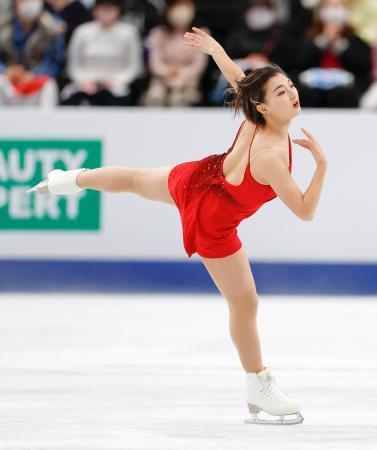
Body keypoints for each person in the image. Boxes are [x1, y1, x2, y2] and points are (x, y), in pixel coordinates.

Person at [27, 26, 328, 425]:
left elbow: (238, 80)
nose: (291, 93)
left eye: (289, 86)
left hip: (199, 177)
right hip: (212, 221)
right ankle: (258, 382)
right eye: (280, 93)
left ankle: (70, 179)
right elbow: (305, 211)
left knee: (135, 179)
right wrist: (322, 165)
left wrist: (215, 48)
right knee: (245, 303)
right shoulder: (271, 154)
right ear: (264, 106)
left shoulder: (257, 119)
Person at [61, 0, 143, 106]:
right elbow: (73, 65)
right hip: (85, 82)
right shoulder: (82, 31)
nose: (106, 13)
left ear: (118, 11)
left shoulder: (129, 32)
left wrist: (117, 80)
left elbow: (134, 66)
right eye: (103, 9)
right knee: (74, 100)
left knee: (115, 100)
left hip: (116, 83)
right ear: (95, 11)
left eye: (110, 9)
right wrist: (84, 80)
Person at [142, 0, 208, 106]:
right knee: (155, 96)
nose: (181, 12)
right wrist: (169, 72)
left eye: (185, 7)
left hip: (189, 80)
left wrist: (181, 74)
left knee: (180, 98)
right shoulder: (158, 33)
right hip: (161, 78)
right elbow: (154, 63)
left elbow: (198, 65)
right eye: (177, 7)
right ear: (168, 10)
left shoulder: (200, 33)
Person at [0, 0, 64, 107]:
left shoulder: (52, 29)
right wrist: (7, 71)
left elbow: (54, 62)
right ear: (15, 2)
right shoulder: (3, 28)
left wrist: (33, 74)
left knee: (49, 85)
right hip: (10, 79)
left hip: (37, 79)